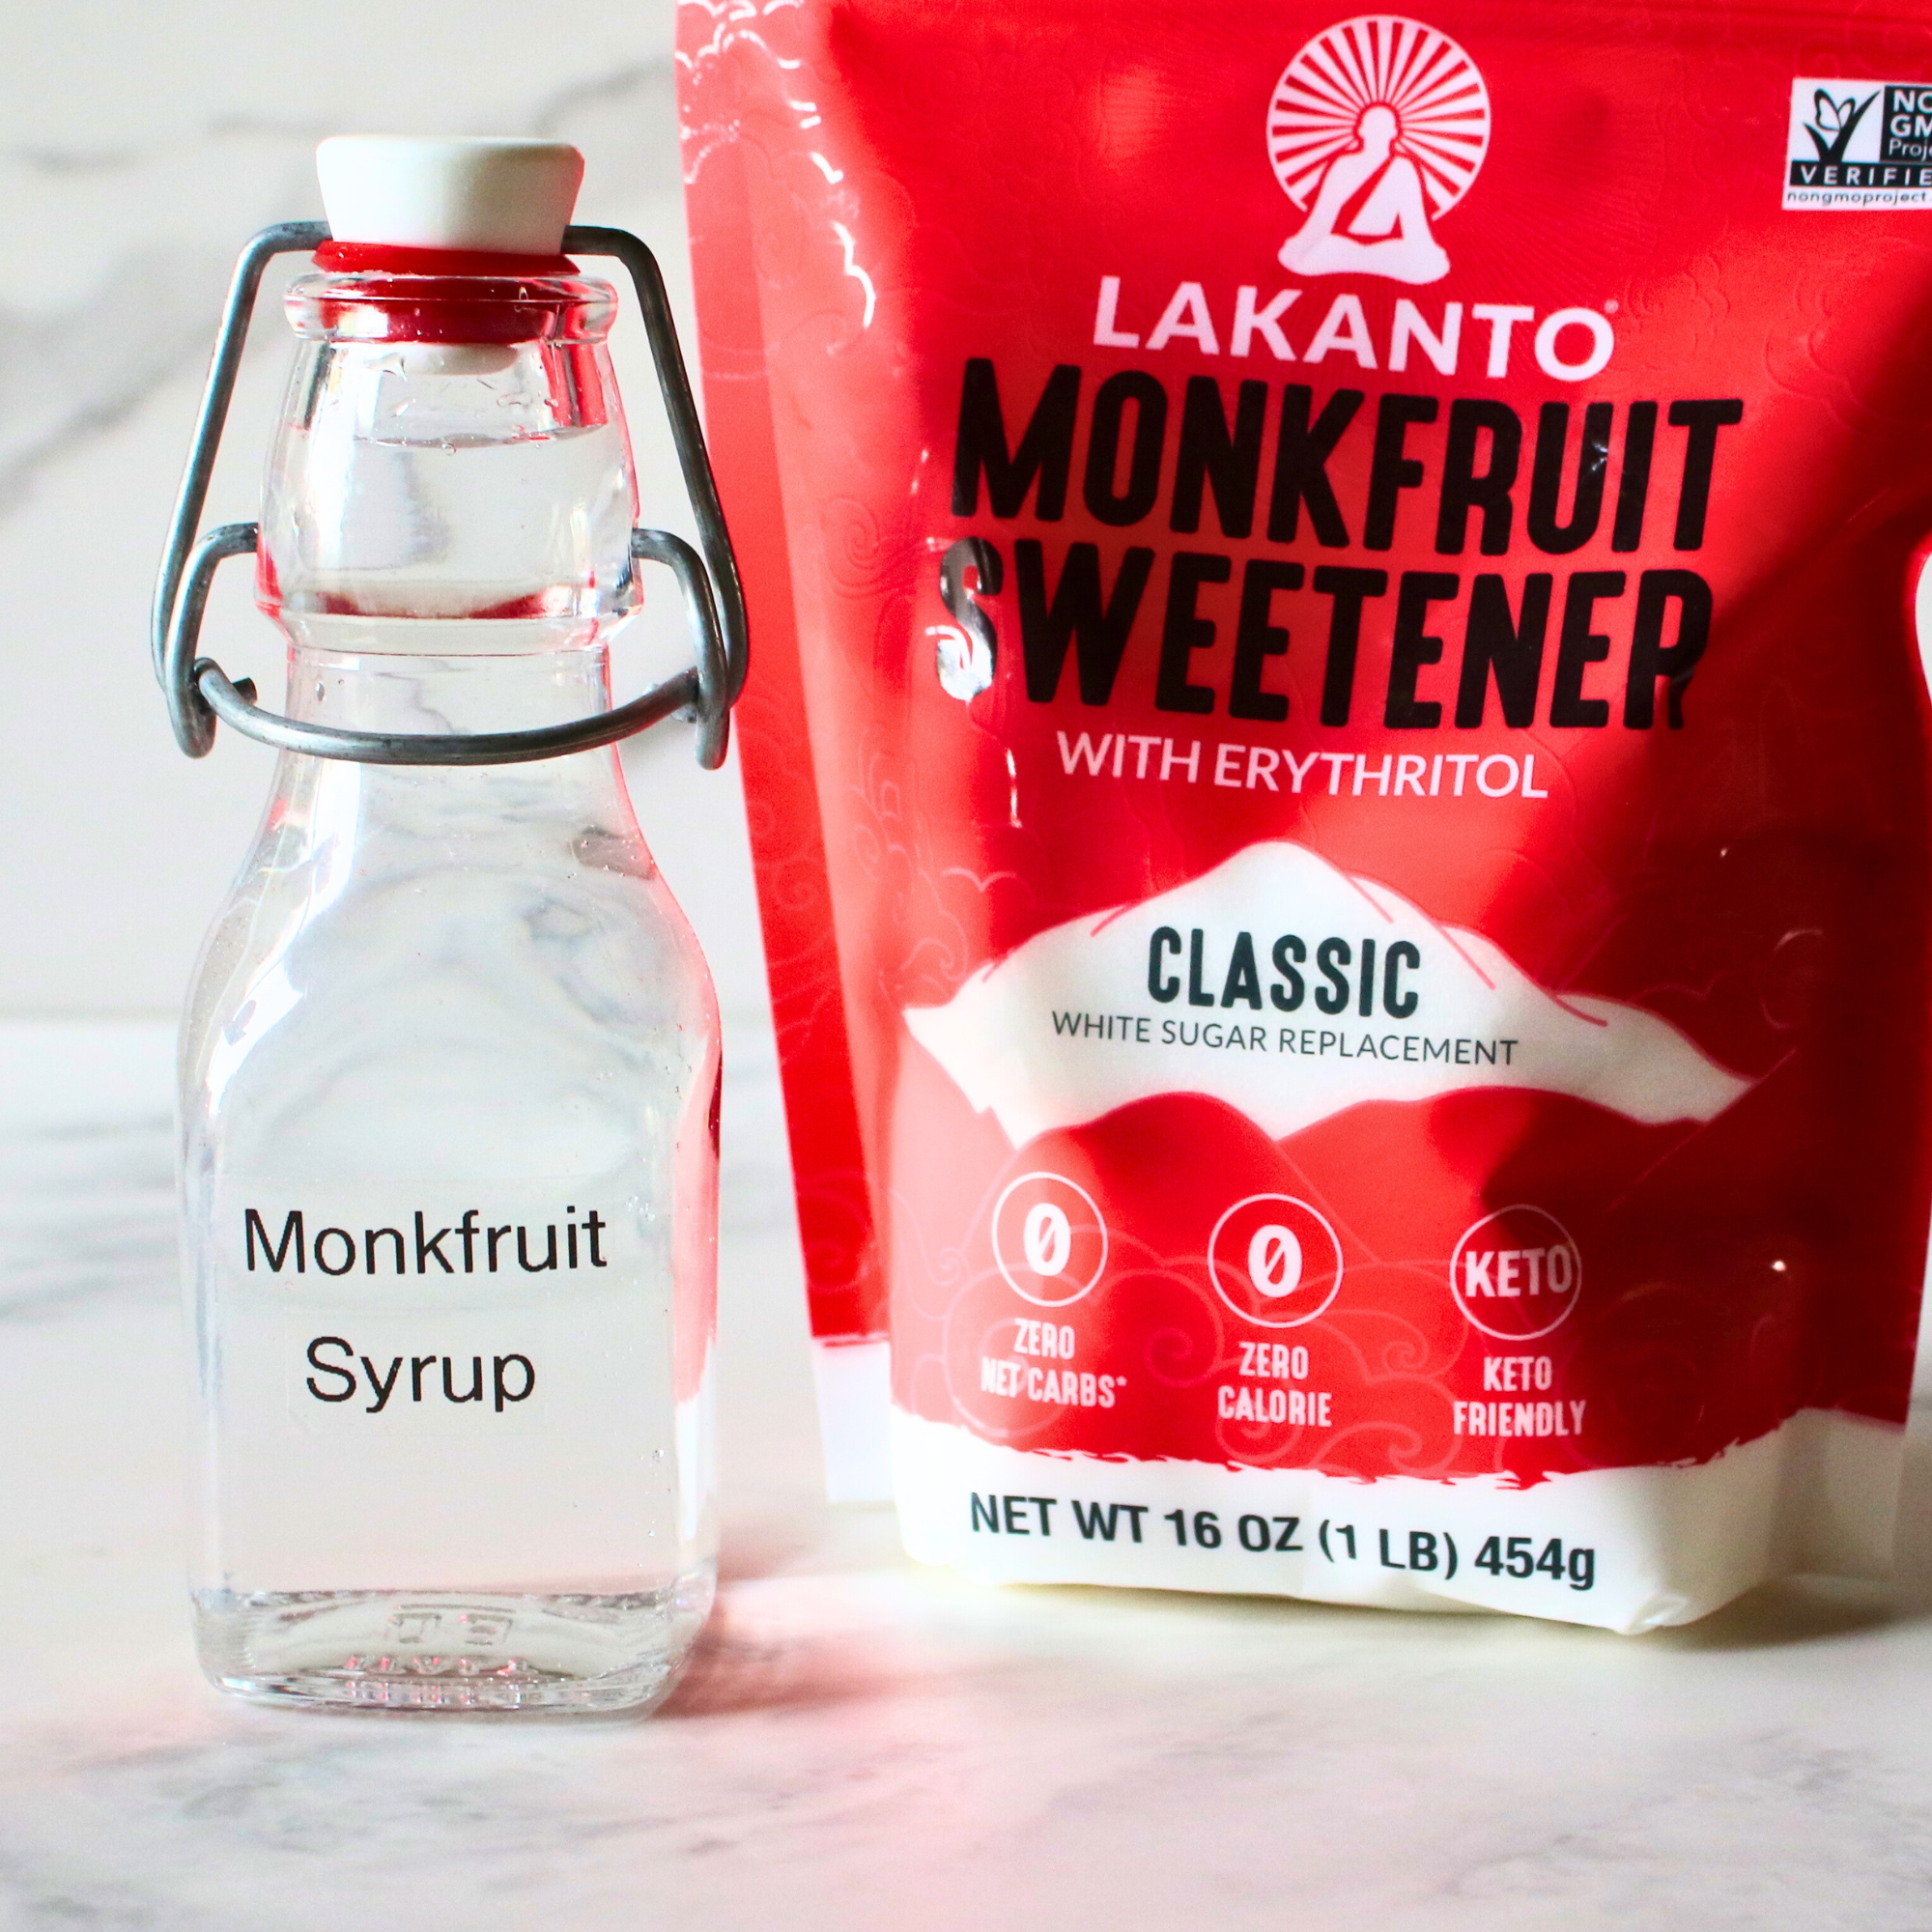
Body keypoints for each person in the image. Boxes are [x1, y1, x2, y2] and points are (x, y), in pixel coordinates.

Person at [1278, 103, 1450, 285]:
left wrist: (1426, 254)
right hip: (1341, 247)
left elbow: (1416, 230)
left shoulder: (1403, 168)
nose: (1377, 134)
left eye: (1382, 128)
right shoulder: (1343, 164)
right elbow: (1320, 220)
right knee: (1318, 249)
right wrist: (1302, 247)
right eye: (1372, 127)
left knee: (1422, 262)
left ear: (1393, 133)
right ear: (1360, 130)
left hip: (1387, 252)